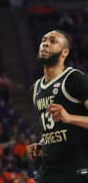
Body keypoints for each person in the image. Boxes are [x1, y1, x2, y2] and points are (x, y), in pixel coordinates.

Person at [26, 30, 88, 182]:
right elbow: (54, 129)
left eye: (53, 41)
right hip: (48, 170)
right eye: (43, 40)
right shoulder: (35, 88)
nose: (45, 44)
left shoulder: (75, 79)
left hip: (76, 169)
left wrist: (70, 118)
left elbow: (67, 121)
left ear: (64, 52)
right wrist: (42, 144)